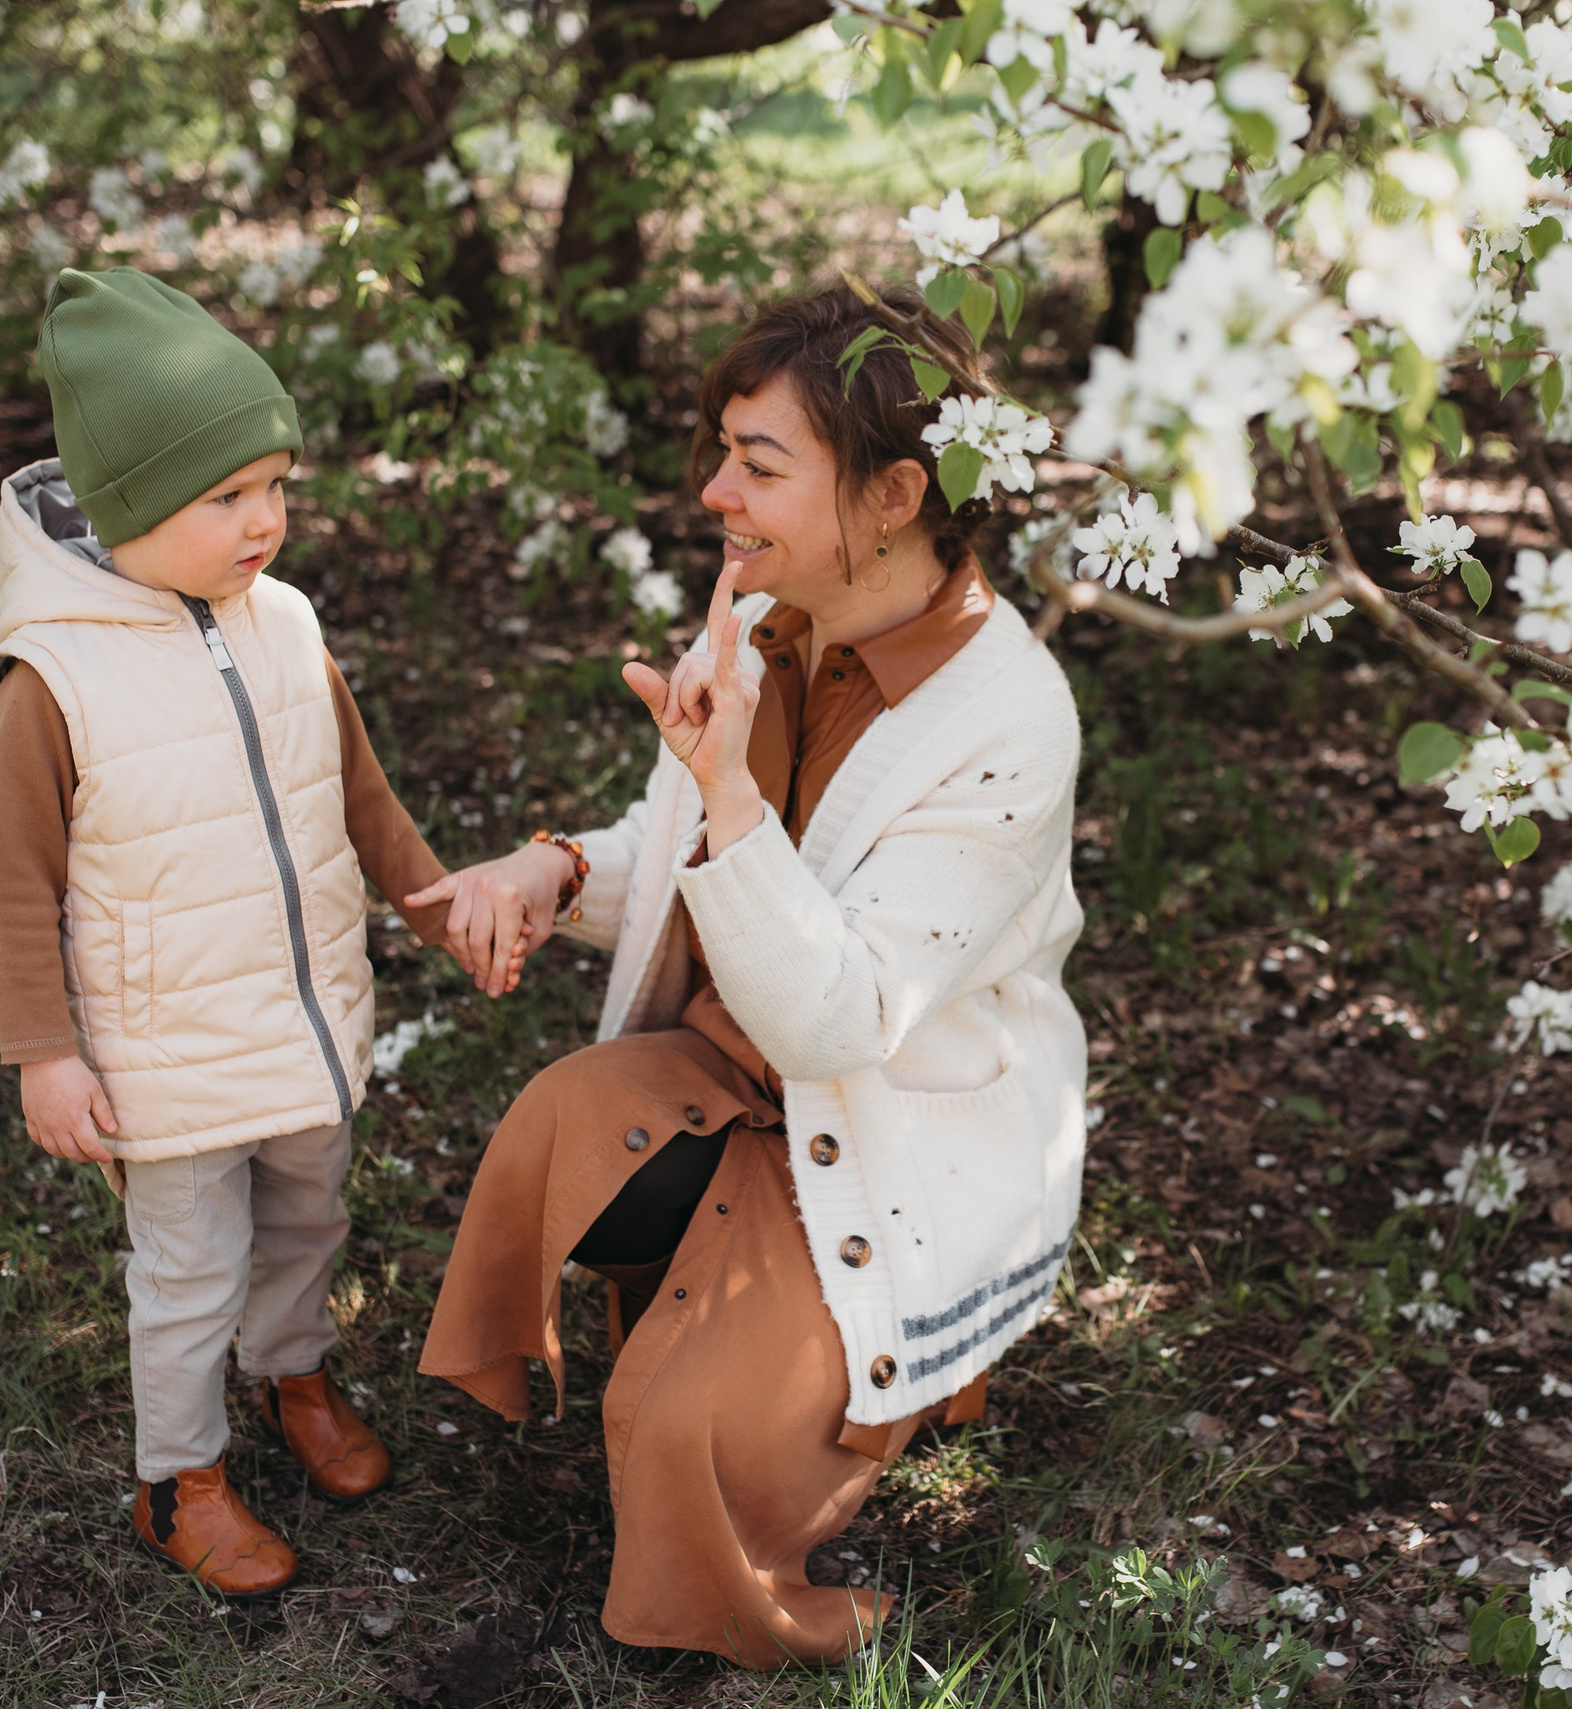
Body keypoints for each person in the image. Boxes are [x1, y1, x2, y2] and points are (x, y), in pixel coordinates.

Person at [409, 286, 1088, 1667]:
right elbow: (685, 849)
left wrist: (721, 790)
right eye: (721, 449)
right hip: (739, 1063)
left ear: (895, 494)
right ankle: (707, 1291)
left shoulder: (1012, 721)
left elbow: (840, 1005)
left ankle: (886, 1382)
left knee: (678, 1436)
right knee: (556, 1123)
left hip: (888, 1119)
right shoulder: (773, 613)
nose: (714, 491)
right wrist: (552, 869)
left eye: (760, 465)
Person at [0, 267, 463, 1596]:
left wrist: (433, 901)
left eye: (277, 486)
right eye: (228, 497)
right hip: (167, 1052)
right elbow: (16, 879)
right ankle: (178, 1477)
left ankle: (293, 1374)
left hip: (303, 1022)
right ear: (131, 504)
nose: (268, 520)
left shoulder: (287, 623)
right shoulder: (53, 679)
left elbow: (357, 792)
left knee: (309, 1221)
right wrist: (44, 1049)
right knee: (188, 1270)